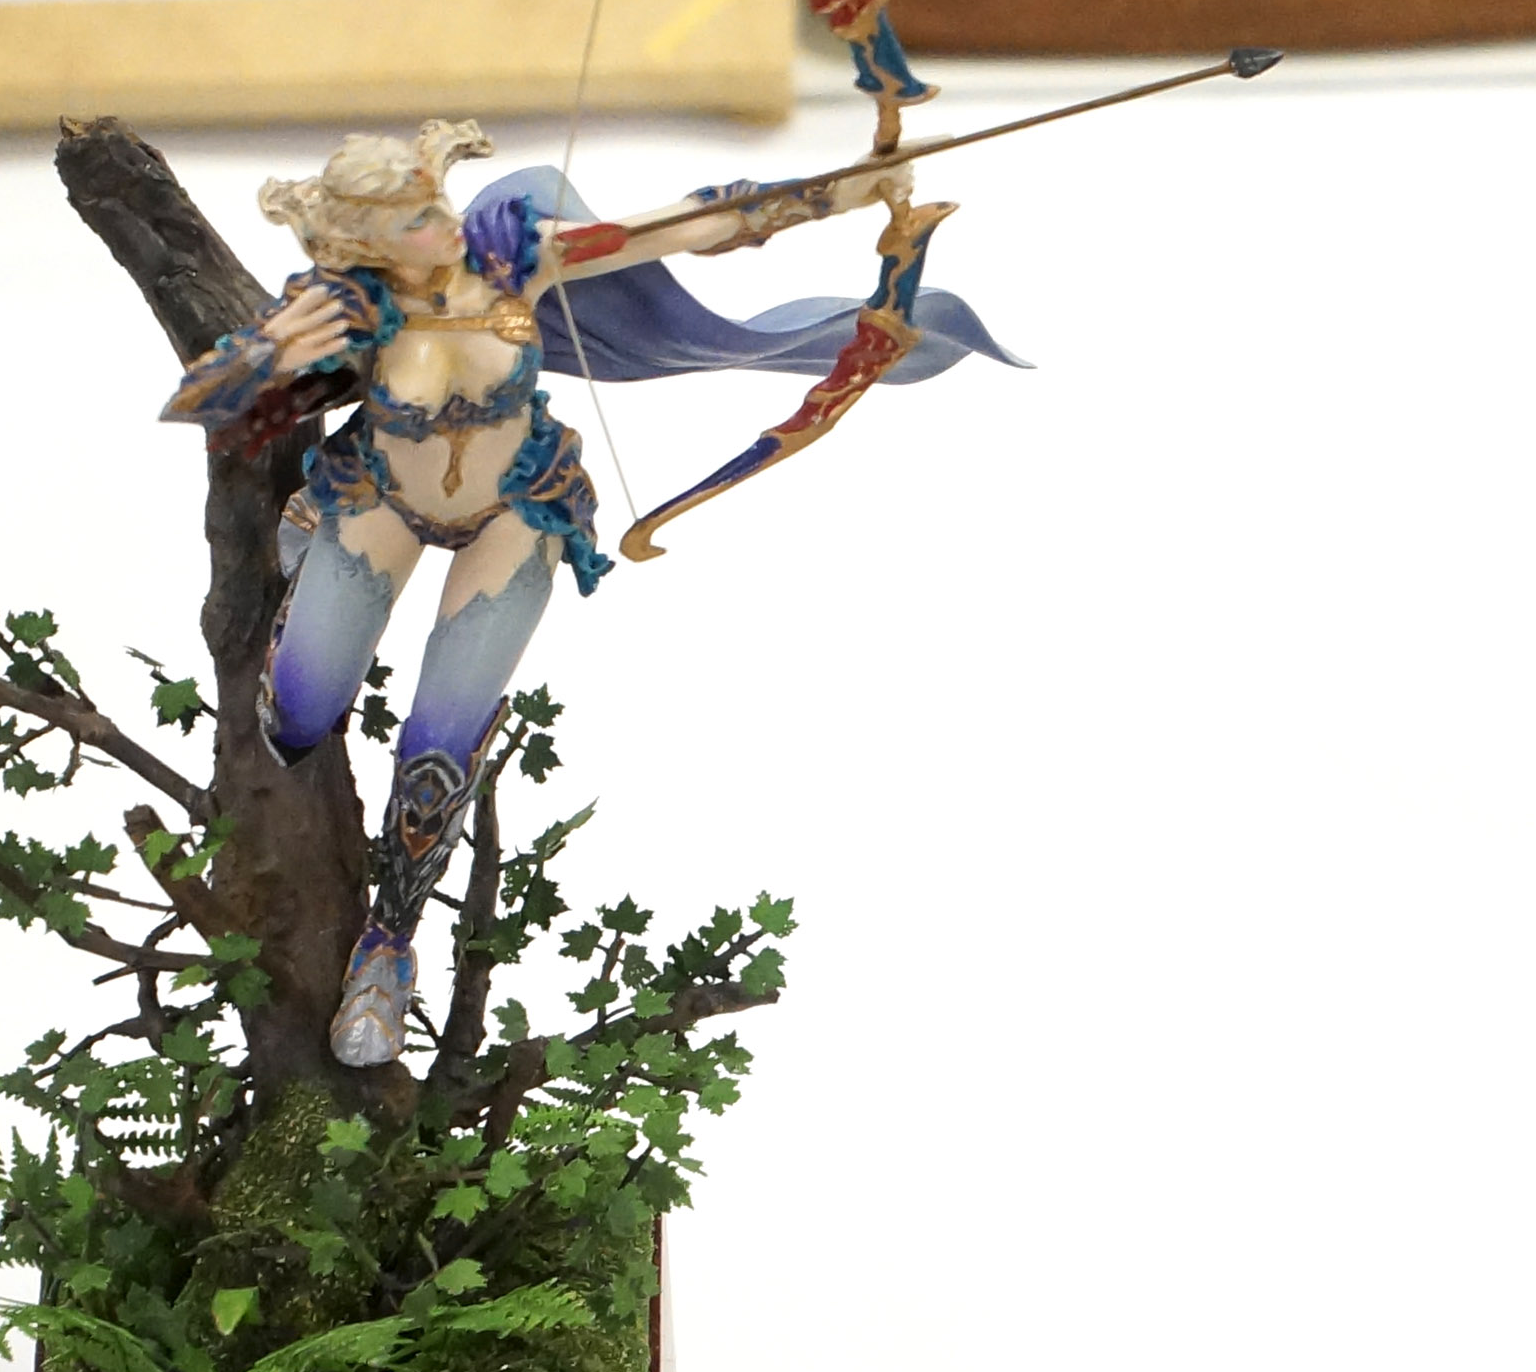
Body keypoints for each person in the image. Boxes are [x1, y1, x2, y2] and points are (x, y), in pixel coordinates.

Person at [164, 117, 1009, 1066]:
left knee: (440, 744)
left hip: (515, 509)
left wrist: (849, 187)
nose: (442, 227)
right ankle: (307, 536)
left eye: (435, 205)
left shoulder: (514, 259)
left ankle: (386, 952)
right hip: (383, 500)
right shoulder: (346, 303)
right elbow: (196, 403)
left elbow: (693, 222)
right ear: (364, 240)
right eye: (412, 221)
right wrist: (267, 350)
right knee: (298, 714)